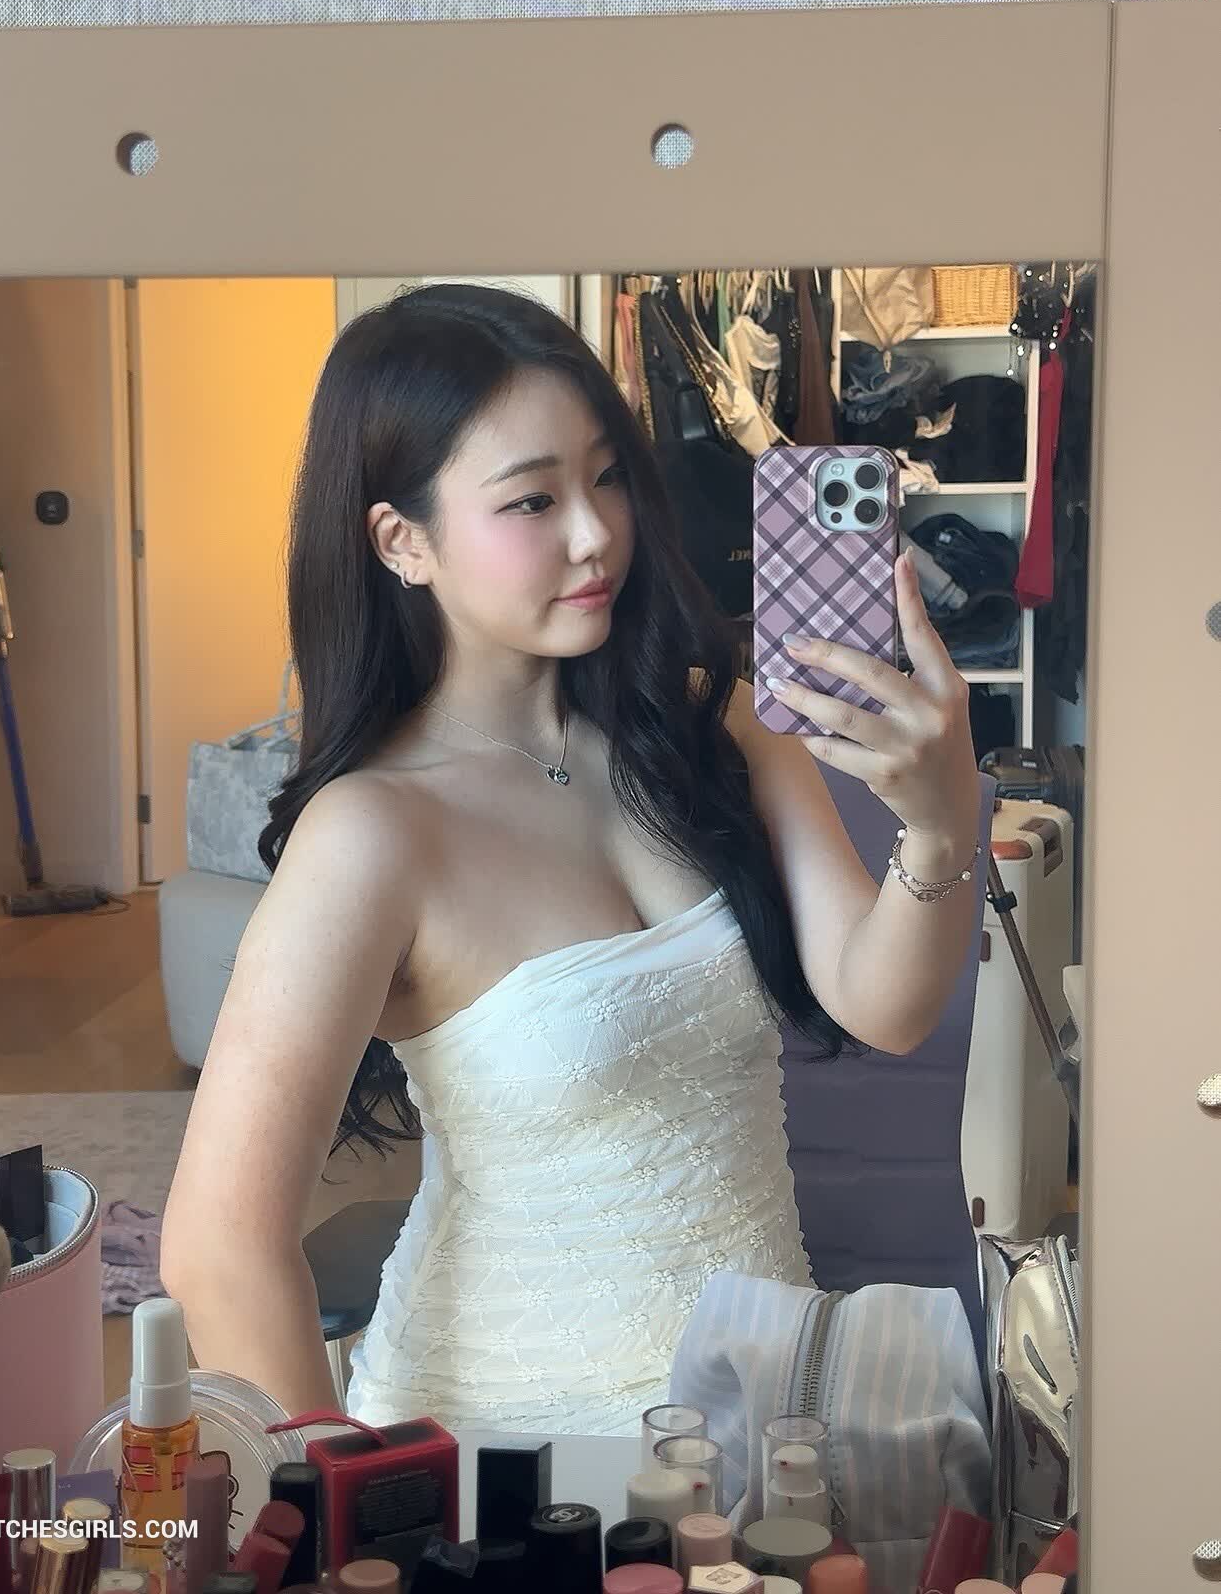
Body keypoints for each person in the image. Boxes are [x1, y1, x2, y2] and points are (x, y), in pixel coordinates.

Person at [160, 283, 984, 1436]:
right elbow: (218, 1249)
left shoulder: (707, 724)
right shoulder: (374, 832)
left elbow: (883, 1004)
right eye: (533, 499)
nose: (596, 532)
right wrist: (342, 1502)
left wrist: (940, 827)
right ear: (402, 541)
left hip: (760, 1426)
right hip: (505, 1455)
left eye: (605, 477)